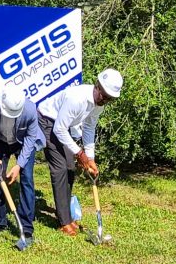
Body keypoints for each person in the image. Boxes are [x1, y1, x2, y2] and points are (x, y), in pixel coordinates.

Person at [36, 68, 123, 236]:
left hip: (62, 126)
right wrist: (80, 154)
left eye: (109, 99)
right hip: (47, 121)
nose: (104, 100)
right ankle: (63, 222)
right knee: (60, 169)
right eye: (104, 95)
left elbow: (89, 128)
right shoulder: (76, 98)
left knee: (70, 168)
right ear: (97, 86)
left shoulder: (99, 104)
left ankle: (66, 215)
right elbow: (59, 129)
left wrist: (90, 158)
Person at [0, 84, 44, 244]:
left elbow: (30, 138)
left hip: (22, 142)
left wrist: (19, 165)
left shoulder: (29, 110)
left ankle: (26, 227)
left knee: (27, 179)